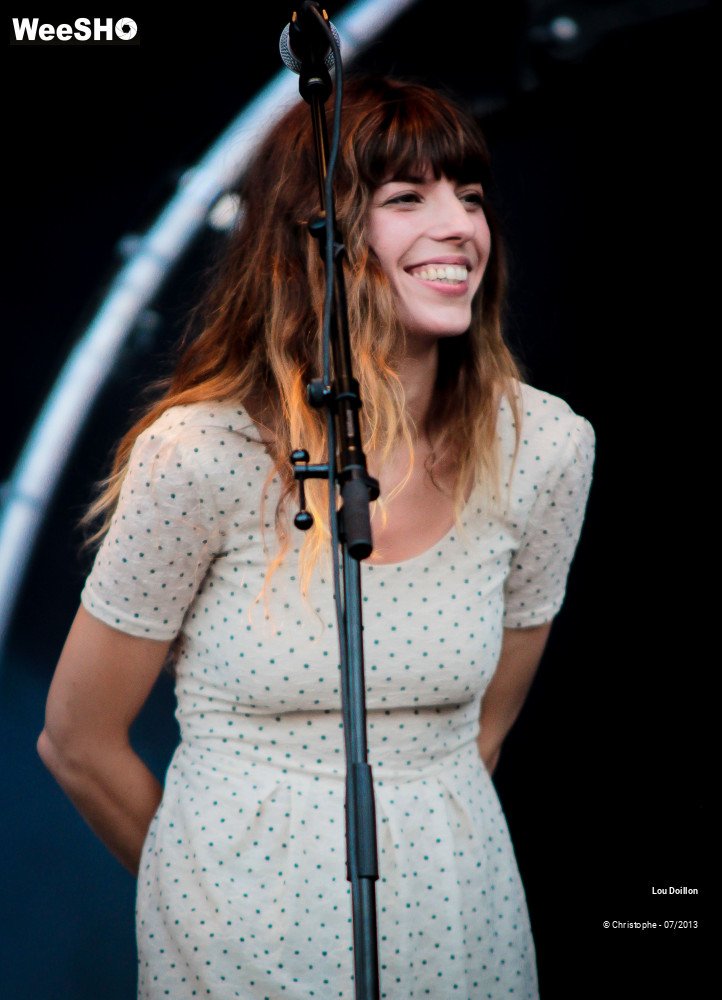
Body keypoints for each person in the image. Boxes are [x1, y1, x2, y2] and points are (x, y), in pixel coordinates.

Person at [38, 75, 594, 999]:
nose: (459, 226)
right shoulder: (201, 454)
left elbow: (482, 732)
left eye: (470, 196)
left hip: (460, 923)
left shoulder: (544, 447)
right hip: (234, 937)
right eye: (407, 199)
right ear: (314, 238)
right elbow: (77, 739)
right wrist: (201, 895)